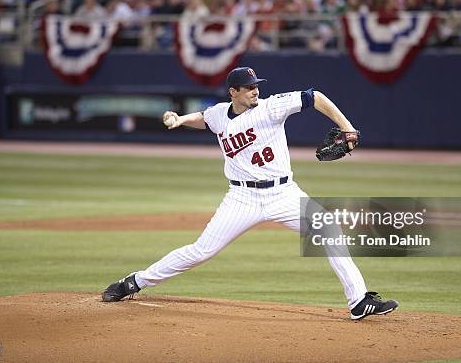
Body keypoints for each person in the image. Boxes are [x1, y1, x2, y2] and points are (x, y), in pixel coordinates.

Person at [102, 67, 399, 321]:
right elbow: (205, 118)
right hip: (241, 199)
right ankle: (134, 282)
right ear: (233, 92)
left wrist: (347, 128)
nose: (255, 91)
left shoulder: (272, 107)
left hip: (283, 193)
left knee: (328, 229)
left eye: (257, 86)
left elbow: (315, 97)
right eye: (248, 88)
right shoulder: (220, 114)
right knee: (200, 251)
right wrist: (180, 119)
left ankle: (358, 302)